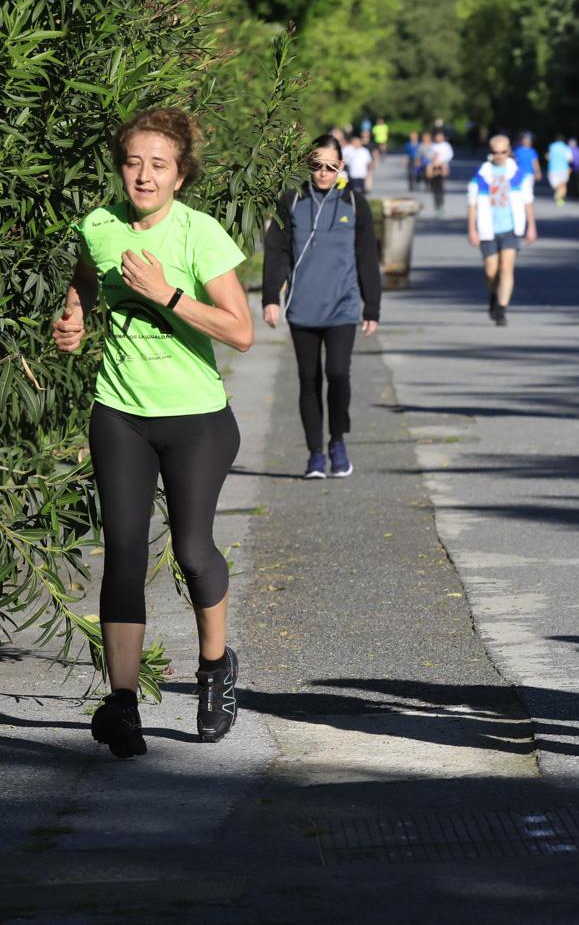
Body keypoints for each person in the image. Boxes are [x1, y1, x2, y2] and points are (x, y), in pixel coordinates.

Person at [51, 107, 254, 757]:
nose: (143, 174)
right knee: (124, 555)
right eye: (133, 161)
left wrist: (168, 295)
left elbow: (241, 332)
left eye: (157, 165)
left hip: (197, 419)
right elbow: (85, 281)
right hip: (120, 413)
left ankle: (217, 670)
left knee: (193, 552)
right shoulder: (99, 226)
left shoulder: (201, 235)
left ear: (180, 175)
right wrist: (72, 318)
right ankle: (123, 705)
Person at [261, 134, 382, 478]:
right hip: (302, 307)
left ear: (341, 167)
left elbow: (367, 258)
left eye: (331, 166)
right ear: (307, 166)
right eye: (316, 165)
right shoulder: (292, 200)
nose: (323, 173)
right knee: (308, 379)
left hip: (343, 306)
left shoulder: (354, 204)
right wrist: (271, 297)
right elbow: (277, 250)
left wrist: (371, 306)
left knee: (338, 374)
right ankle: (315, 453)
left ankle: (338, 442)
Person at [468, 134, 538, 325]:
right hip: (487, 229)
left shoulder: (518, 175)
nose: (499, 156)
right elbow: (472, 204)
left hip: (510, 229)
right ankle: (494, 294)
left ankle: (501, 308)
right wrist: (471, 229)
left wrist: (531, 226)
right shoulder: (482, 175)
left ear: (509, 152)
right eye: (495, 152)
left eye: (503, 152)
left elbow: (528, 202)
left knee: (506, 268)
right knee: (491, 271)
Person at [425, 129, 453, 216]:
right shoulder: (432, 146)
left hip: (442, 166)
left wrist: (441, 161)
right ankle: (436, 205)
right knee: (434, 188)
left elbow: (449, 155)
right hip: (433, 166)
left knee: (440, 188)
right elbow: (428, 155)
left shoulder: (446, 146)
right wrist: (434, 158)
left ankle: (441, 205)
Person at [546, 133, 573, 206]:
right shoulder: (566, 147)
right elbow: (569, 159)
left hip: (553, 168)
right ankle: (559, 197)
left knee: (556, 185)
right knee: (563, 184)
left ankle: (558, 197)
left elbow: (548, 157)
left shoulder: (552, 146)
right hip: (564, 168)